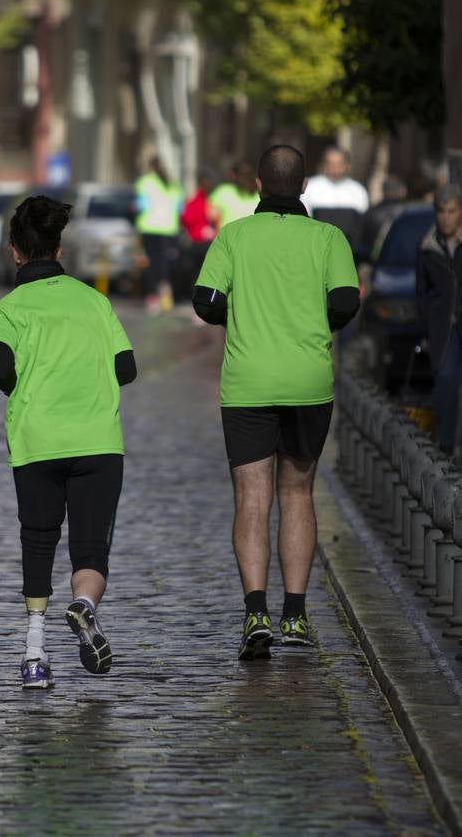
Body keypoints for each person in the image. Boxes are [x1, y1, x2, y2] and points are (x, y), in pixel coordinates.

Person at [193, 145, 360, 660]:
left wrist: (245, 321)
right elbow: (345, 303)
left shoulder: (234, 236)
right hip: (309, 381)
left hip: (248, 382)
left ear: (258, 187)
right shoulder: (329, 239)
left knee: (251, 497)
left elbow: (206, 302)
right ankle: (295, 614)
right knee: (298, 493)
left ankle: (255, 612)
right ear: (306, 186)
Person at [0, 195, 137, 689]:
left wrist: (28, 386)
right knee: (91, 549)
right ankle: (85, 605)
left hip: (37, 440)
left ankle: (34, 654)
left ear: (15, 252)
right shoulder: (95, 302)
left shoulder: (5, 310)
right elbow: (126, 368)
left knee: (38, 541)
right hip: (97, 441)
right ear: (60, 251)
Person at [416, 184, 462, 456]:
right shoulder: (427, 247)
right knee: (444, 380)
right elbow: (421, 291)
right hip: (442, 328)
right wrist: (427, 324)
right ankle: (445, 446)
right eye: (441, 211)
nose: (446, 216)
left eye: (451, 211)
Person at [134, 156, 183, 314]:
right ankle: (166, 294)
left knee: (149, 262)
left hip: (149, 227)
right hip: (169, 228)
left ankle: (152, 296)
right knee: (164, 262)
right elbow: (179, 209)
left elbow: (141, 205)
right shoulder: (173, 184)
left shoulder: (145, 182)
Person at [302, 146, 369, 252]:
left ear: (347, 165)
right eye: (330, 163)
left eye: (339, 164)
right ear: (323, 164)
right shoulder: (311, 187)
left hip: (349, 250)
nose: (334, 168)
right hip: (317, 249)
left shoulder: (358, 190)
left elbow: (362, 225)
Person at [180, 168, 217, 284]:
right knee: (198, 272)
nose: (209, 185)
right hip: (198, 243)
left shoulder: (215, 199)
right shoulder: (195, 201)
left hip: (212, 241)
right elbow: (186, 220)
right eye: (206, 182)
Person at [209, 161, 260, 229]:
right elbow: (211, 216)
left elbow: (211, 216)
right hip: (229, 238)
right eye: (244, 175)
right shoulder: (223, 191)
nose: (246, 179)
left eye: (248, 175)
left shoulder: (223, 192)